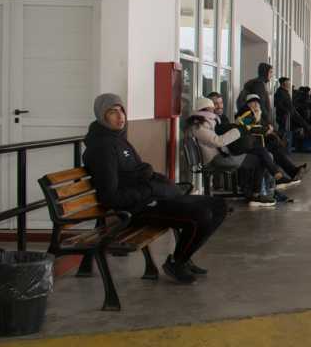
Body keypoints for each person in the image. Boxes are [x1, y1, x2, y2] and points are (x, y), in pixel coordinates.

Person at [83, 93, 227, 284]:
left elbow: (134, 172)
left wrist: (152, 178)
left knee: (219, 205)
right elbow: (110, 197)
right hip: (135, 210)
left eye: (122, 111)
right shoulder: (102, 147)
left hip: (151, 200)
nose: (120, 117)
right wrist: (149, 189)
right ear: (102, 116)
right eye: (112, 112)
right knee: (201, 214)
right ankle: (177, 262)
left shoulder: (117, 139)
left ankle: (182, 258)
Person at [186, 97, 280, 206]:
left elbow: (223, 131)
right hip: (217, 159)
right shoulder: (199, 126)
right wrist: (238, 130)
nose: (213, 110)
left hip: (222, 155)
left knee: (263, 155)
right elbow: (218, 141)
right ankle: (255, 195)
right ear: (204, 109)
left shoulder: (208, 122)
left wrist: (240, 126)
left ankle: (254, 193)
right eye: (211, 108)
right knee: (261, 160)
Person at [236, 94, 302, 201]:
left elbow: (264, 126)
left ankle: (277, 183)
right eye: (253, 102)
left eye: (257, 103)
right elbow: (247, 128)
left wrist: (266, 129)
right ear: (248, 104)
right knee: (270, 153)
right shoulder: (246, 114)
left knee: (274, 151)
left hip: (258, 143)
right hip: (251, 145)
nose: (256, 105)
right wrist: (265, 129)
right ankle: (277, 181)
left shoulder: (256, 114)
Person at [238, 63, 276, 130]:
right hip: (259, 121)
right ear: (265, 72)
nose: (272, 75)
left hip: (254, 119)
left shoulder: (256, 83)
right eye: (270, 72)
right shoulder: (259, 85)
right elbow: (261, 105)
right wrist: (269, 122)